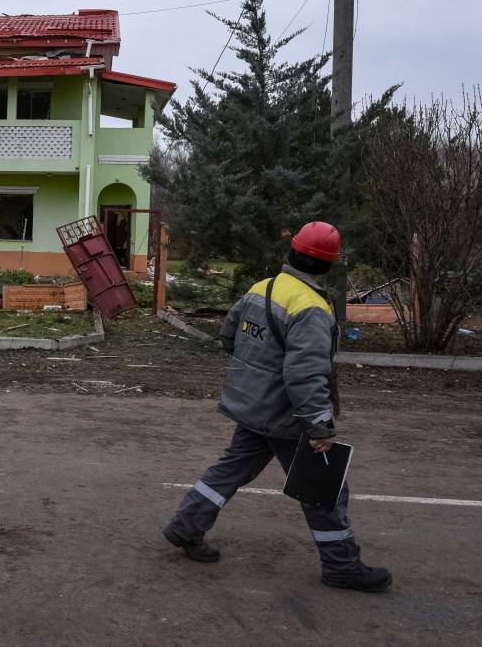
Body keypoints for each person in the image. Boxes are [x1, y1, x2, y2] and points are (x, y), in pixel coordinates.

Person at [162, 221, 392, 593]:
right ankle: (342, 566)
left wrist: (259, 374)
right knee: (324, 488)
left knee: (231, 468)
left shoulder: (261, 288)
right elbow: (304, 373)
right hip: (288, 415)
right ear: (328, 266)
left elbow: (228, 336)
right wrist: (320, 424)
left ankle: (185, 527)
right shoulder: (311, 307)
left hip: (252, 406)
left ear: (292, 252)